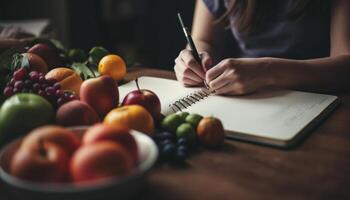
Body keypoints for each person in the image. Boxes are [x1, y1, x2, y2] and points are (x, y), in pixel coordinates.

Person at [174, 0, 350, 95]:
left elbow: (345, 68)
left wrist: (268, 72)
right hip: (245, 96)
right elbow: (204, 39)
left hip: (316, 99)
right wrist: (192, 58)